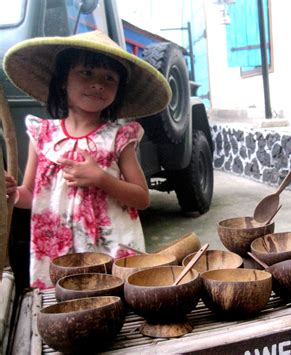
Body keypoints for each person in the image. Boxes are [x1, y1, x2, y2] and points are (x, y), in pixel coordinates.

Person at [3, 30, 171, 289]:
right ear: (62, 80)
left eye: (109, 78)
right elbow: (29, 195)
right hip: (59, 255)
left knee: (112, 303)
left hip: (110, 251)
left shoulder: (118, 138)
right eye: (87, 73)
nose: (98, 84)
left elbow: (142, 197)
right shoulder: (42, 135)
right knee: (67, 311)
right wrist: (12, 193)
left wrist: (101, 178)